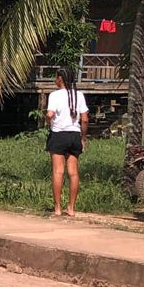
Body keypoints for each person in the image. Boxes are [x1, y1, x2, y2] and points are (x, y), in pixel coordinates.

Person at [45, 66, 89, 217]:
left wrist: (48, 121)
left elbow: (50, 114)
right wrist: (83, 138)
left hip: (58, 135)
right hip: (74, 135)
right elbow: (84, 119)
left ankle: (57, 207)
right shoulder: (79, 95)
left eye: (56, 77)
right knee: (73, 172)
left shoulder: (54, 95)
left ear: (60, 79)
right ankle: (71, 208)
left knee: (58, 171)